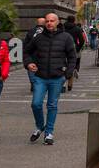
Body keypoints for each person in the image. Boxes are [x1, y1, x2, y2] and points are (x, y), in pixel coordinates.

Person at [26, 11, 78, 146]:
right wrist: (28, 63)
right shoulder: (38, 38)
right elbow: (27, 51)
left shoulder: (66, 37)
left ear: (57, 22)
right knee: (36, 104)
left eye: (52, 21)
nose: (49, 23)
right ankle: (39, 126)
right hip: (40, 77)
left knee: (52, 105)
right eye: (47, 21)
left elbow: (72, 57)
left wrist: (68, 73)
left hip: (57, 77)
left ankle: (49, 133)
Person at [23, 15, 47, 88]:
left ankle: (33, 84)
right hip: (44, 57)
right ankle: (38, 85)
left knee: (32, 70)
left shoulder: (31, 31)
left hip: (32, 57)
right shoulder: (47, 32)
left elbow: (25, 45)